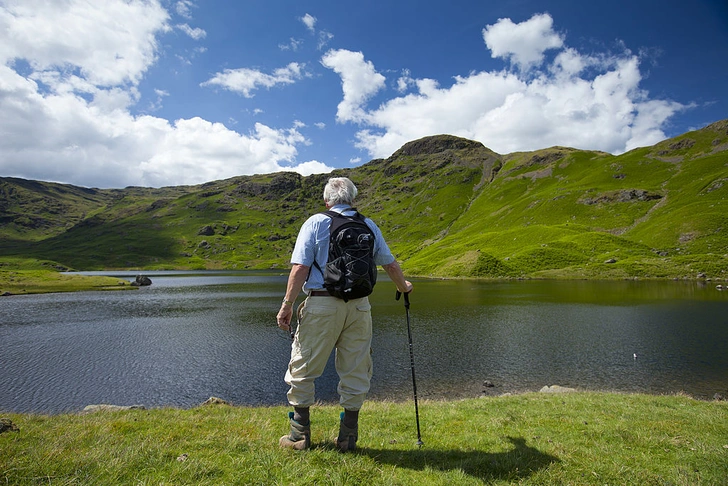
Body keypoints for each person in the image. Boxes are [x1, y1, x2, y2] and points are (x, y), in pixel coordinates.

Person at [276, 177, 413, 452]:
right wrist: (404, 287)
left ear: (327, 201)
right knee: (356, 368)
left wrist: (287, 304)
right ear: (352, 199)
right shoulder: (368, 225)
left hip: (323, 305)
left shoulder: (316, 222)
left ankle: (299, 436)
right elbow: (391, 265)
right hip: (360, 307)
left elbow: (300, 268)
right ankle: (348, 437)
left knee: (303, 366)